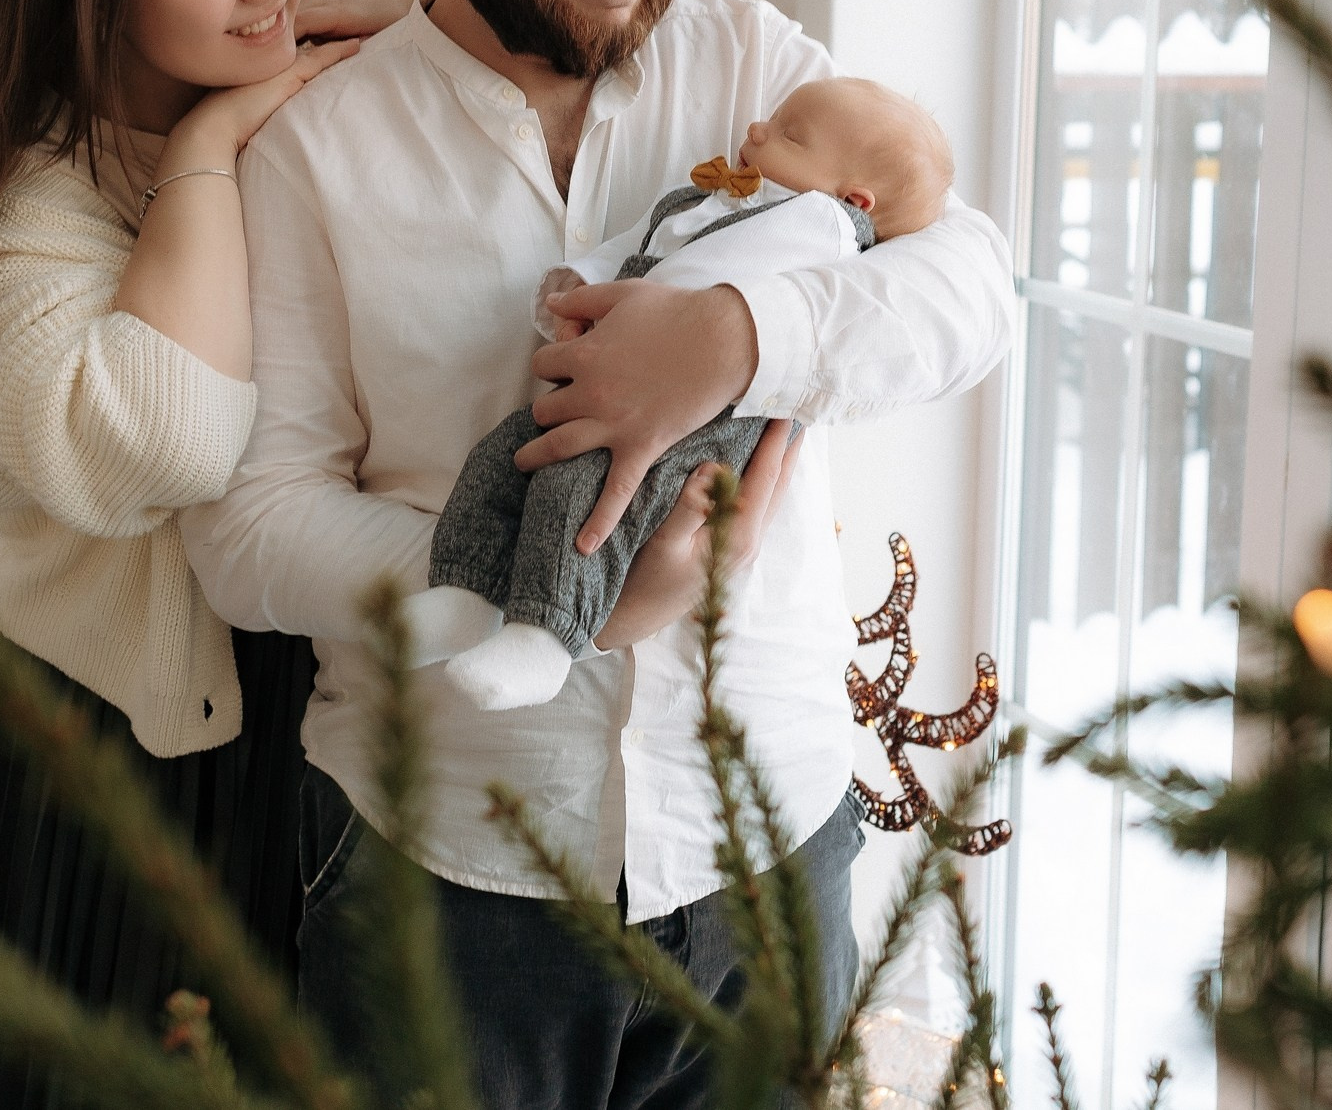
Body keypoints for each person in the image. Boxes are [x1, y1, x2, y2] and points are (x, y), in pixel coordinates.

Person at [183, 0, 1014, 1107]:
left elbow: (973, 289)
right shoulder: (318, 150)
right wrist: (524, 595)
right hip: (449, 874)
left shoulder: (755, 63)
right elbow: (249, 524)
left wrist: (742, 339)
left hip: (771, 853)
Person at [0, 0, 411, 1107]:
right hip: (105, 732)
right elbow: (160, 445)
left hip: (294, 708)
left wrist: (314, 45)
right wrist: (207, 144)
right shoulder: (32, 201)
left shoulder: (295, 92)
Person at [407, 77, 959, 711]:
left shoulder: (825, 225)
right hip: (609, 369)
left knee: (579, 491)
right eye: (769, 119)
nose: (757, 131)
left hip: (708, 417)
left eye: (789, 135)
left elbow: (942, 296)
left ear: (852, 197)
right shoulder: (702, 197)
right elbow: (636, 246)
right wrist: (577, 288)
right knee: (505, 453)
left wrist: (676, 336)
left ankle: (546, 633)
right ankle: (464, 589)